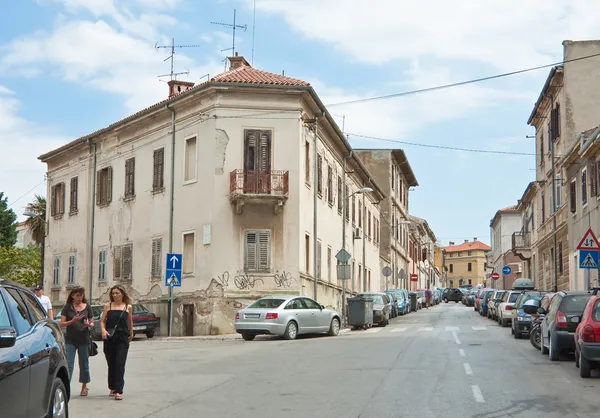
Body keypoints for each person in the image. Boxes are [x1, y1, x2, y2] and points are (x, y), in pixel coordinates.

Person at [100, 285, 134, 401]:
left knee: (120, 363)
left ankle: (119, 390)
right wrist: (103, 330)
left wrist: (131, 333)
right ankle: (112, 387)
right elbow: (102, 321)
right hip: (110, 337)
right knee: (111, 363)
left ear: (122, 294)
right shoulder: (107, 306)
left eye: (117, 293)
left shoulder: (128, 307)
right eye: (113, 293)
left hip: (122, 338)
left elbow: (130, 321)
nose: (115, 295)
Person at [60, 286, 94, 396]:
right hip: (70, 339)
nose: (80, 297)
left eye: (81, 295)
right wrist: (72, 321)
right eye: (77, 295)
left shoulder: (87, 306)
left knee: (84, 364)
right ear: (73, 296)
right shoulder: (68, 307)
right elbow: (61, 324)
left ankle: (84, 387)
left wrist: (89, 324)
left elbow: (92, 322)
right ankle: (66, 387)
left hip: (84, 339)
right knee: (69, 364)